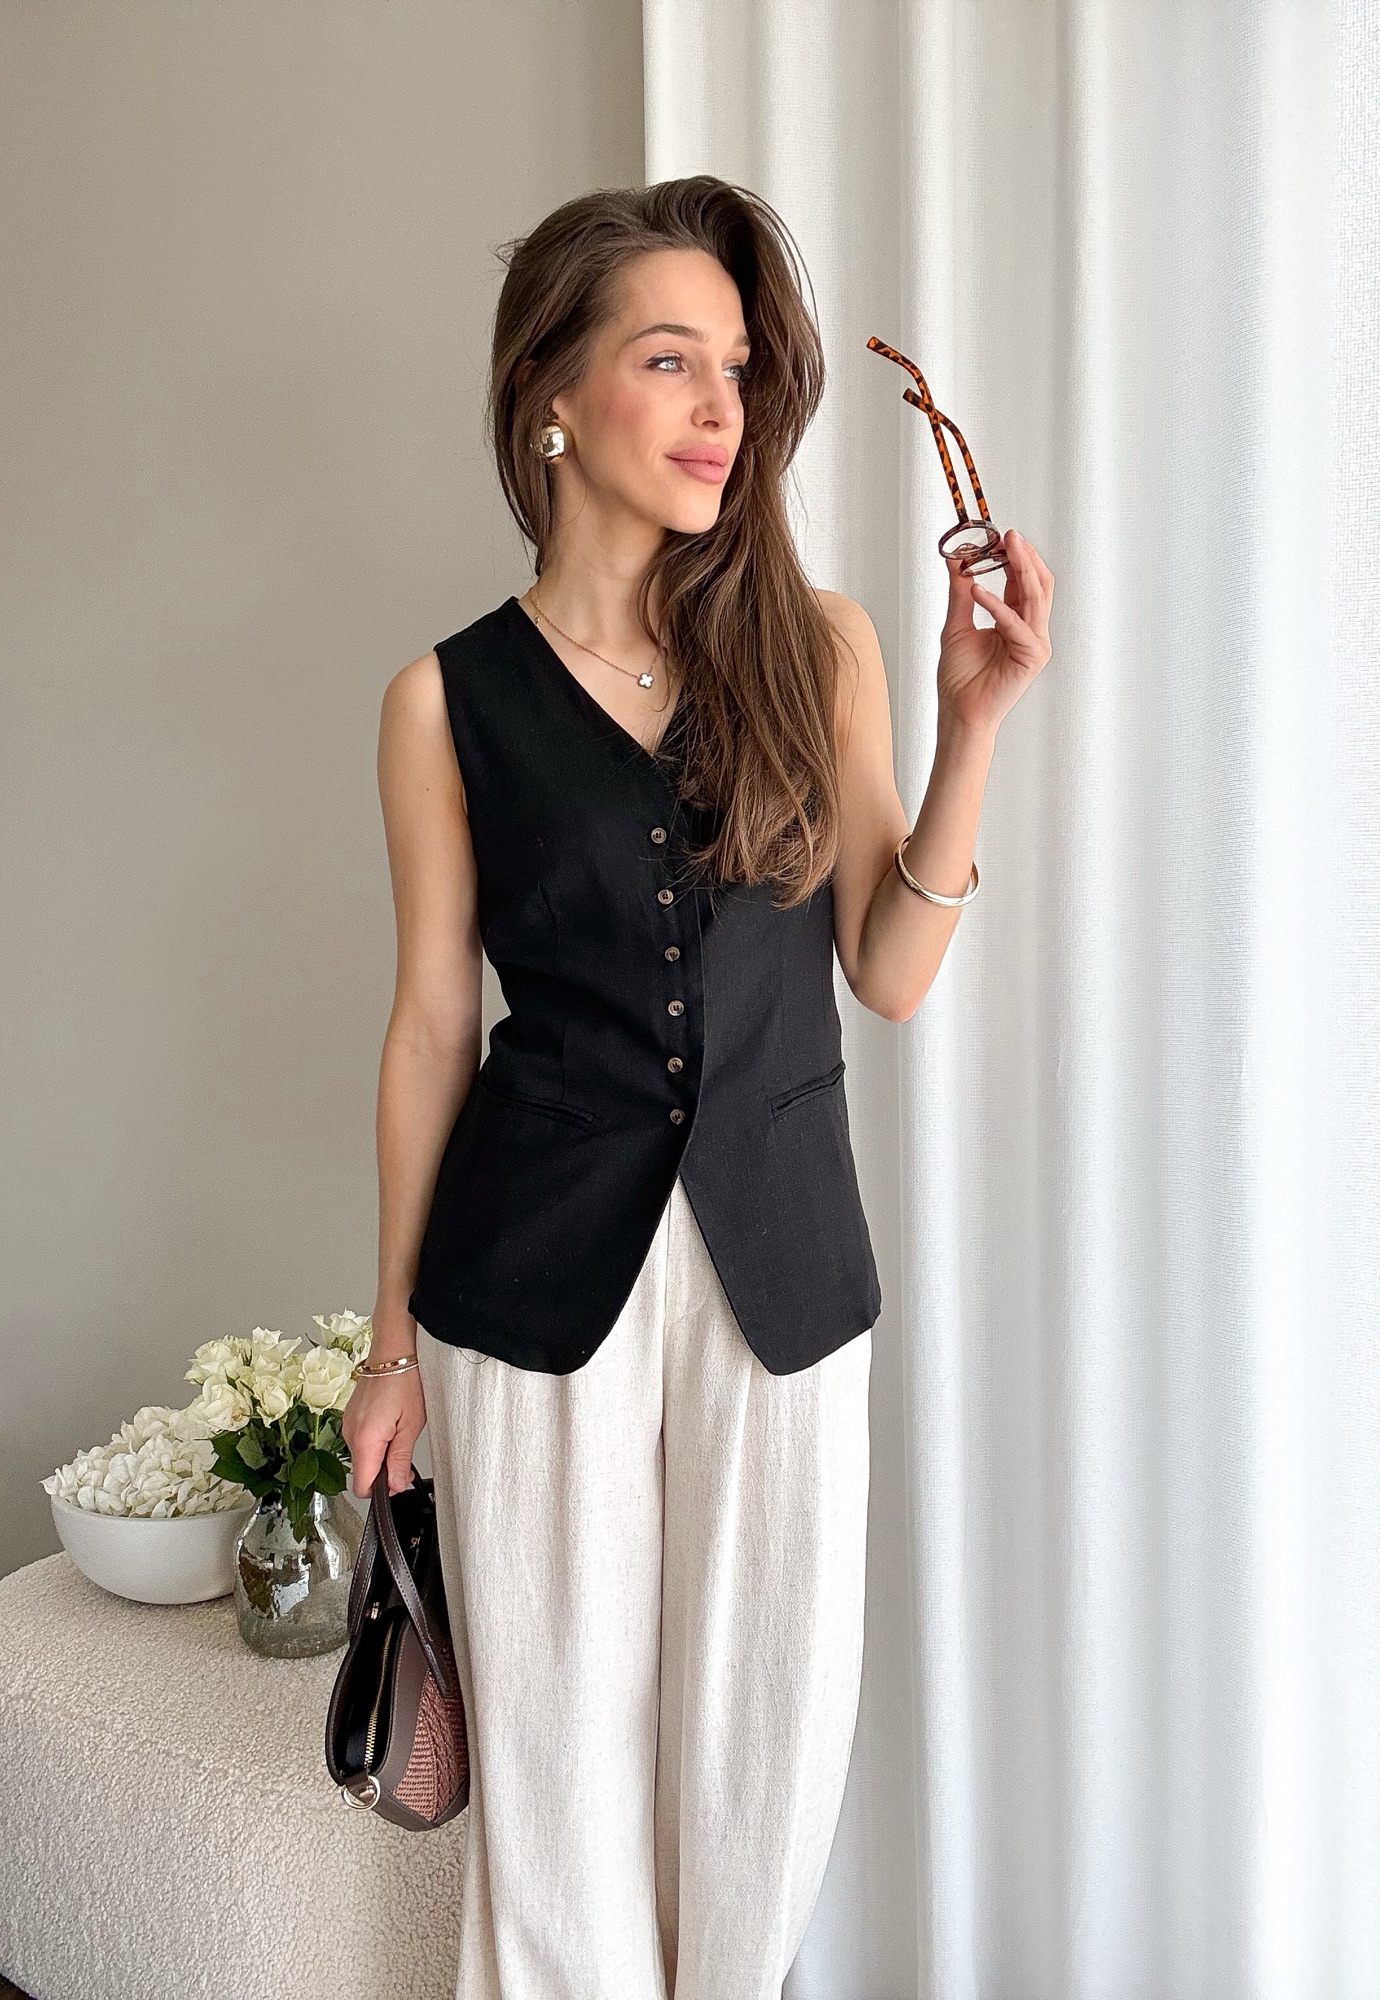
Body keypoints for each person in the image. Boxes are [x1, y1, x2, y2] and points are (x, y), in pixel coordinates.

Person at [342, 174, 1053, 2000]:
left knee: (767, 1753)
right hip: (531, 1282)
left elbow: (888, 969)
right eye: (670, 361)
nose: (721, 407)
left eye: (736, 367)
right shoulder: (444, 703)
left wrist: (973, 726)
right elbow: (429, 1029)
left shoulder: (822, 647)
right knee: (559, 1776)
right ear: (553, 400)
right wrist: (391, 1347)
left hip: (782, 1268)